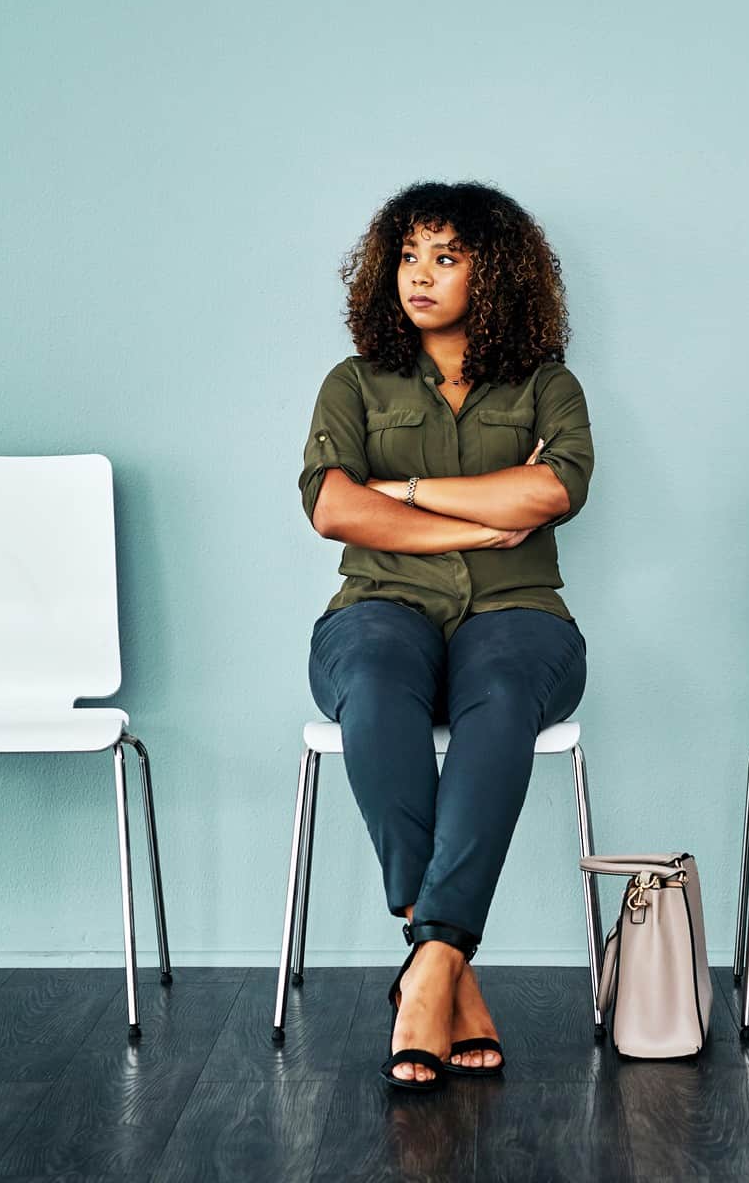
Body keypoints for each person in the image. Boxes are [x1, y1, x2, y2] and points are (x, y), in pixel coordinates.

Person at [298, 181, 593, 1090]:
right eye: (408, 256)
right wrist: (475, 515)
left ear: (494, 274)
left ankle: (427, 963)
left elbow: (552, 494)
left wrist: (408, 493)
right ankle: (445, 968)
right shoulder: (353, 382)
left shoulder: (547, 385)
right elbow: (330, 507)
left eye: (446, 257)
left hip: (519, 615)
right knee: (377, 685)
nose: (417, 276)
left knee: (502, 699)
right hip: (378, 607)